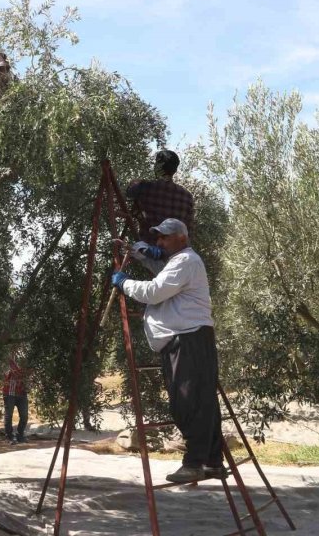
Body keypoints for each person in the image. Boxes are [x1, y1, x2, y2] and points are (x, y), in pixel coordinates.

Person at [111, 219, 225, 483]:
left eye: (164, 238)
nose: (159, 243)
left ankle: (194, 463)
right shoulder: (180, 262)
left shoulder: (185, 261)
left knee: (188, 403)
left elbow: (154, 291)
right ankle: (212, 461)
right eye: (158, 239)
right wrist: (139, 251)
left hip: (187, 340)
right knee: (202, 401)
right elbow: (161, 270)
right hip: (190, 338)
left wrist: (125, 283)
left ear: (181, 239)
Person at [126, 150, 194, 244]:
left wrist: (135, 182)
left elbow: (128, 193)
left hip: (148, 250)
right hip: (175, 252)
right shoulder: (187, 196)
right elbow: (188, 229)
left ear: (158, 166)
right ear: (175, 170)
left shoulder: (145, 188)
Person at [1, 353, 29, 445]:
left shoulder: (26, 360)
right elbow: (6, 375)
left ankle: (20, 435)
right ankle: (9, 436)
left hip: (22, 393)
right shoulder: (8, 362)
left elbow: (27, 375)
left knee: (24, 415)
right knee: (9, 416)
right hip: (9, 393)